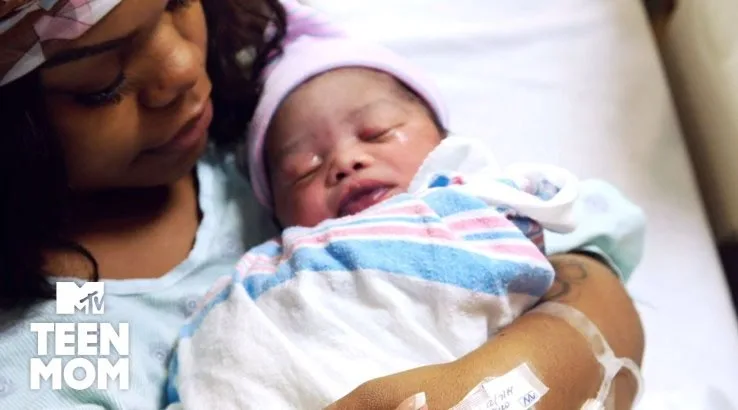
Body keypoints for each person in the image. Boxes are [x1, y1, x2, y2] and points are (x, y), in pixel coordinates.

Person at [0, 1, 645, 409]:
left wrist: (488, 387)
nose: (183, 69)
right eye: (101, 83)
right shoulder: (68, 334)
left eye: (176, 2)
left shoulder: (261, 107)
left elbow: (591, 272)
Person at [163, 20, 595, 409]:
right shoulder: (267, 273)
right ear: (277, 212)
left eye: (378, 132)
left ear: (444, 140)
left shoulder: (483, 203)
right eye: (305, 168)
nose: (345, 161)